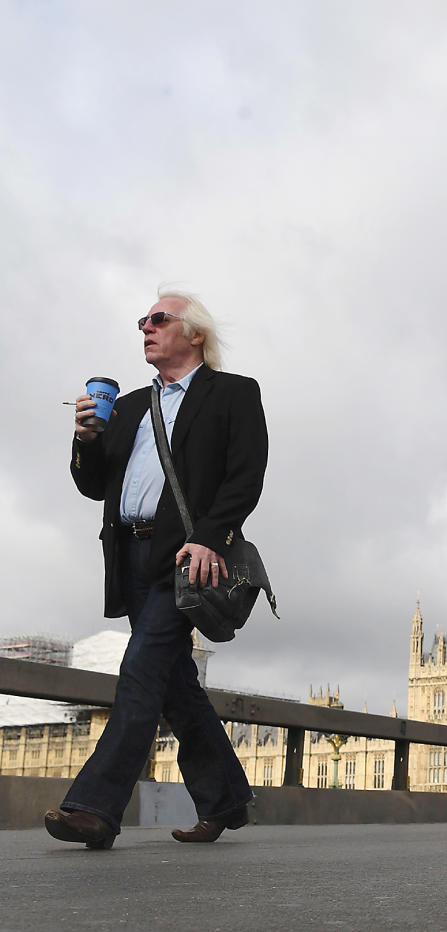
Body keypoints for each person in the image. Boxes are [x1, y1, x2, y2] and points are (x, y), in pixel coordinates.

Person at [45, 289, 268, 849]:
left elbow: (246, 475)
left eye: (158, 319)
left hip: (186, 557)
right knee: (175, 684)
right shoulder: (128, 407)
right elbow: (95, 485)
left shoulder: (233, 394)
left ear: (193, 334)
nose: (145, 327)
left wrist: (210, 539)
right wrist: (85, 440)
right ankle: (226, 799)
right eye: (142, 320)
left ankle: (94, 807)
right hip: (130, 555)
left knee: (142, 670)